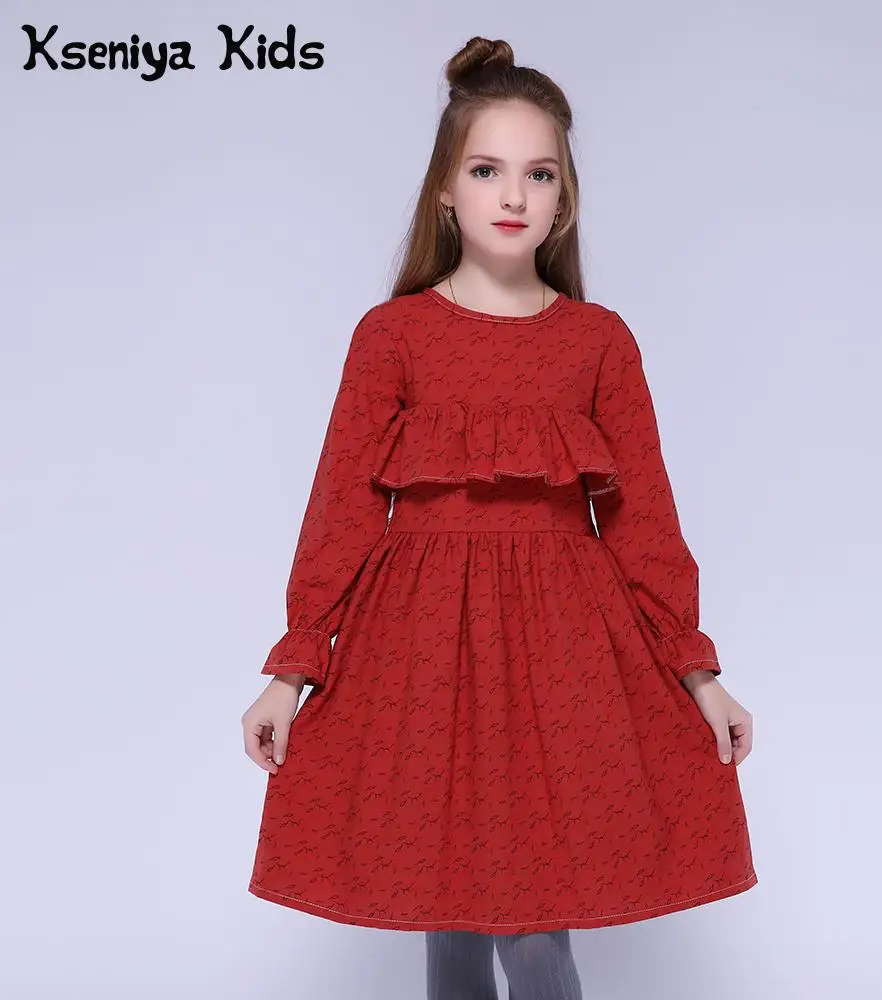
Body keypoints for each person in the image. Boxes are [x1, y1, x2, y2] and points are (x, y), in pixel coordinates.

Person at [241, 34, 757, 1000]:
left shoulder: (598, 342)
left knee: (532, 930)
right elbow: (340, 510)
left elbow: (645, 523)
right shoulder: (391, 337)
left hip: (566, 653)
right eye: (486, 170)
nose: (513, 195)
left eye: (539, 173)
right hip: (420, 651)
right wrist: (292, 669)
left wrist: (699, 674)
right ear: (446, 189)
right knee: (447, 907)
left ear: (566, 197)